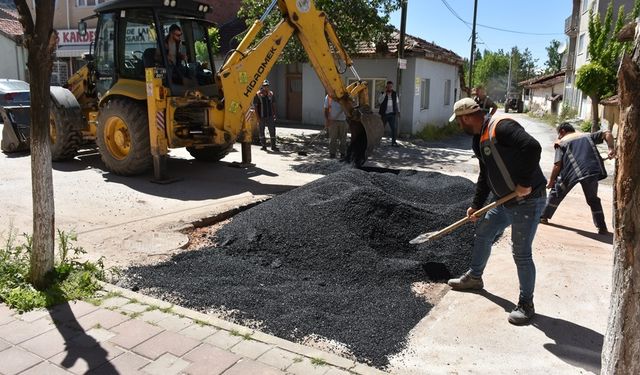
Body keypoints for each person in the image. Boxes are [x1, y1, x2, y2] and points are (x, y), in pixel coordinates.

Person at [446, 98, 547, 325]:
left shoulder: (502, 126)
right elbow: (485, 174)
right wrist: (477, 204)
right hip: (505, 201)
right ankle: (474, 277)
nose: (459, 126)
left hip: (529, 200)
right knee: (484, 232)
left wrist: (523, 182)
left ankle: (526, 304)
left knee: (521, 253)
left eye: (459, 121)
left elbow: (532, 147)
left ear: (466, 117)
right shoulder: (479, 139)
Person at [539, 122, 615, 234]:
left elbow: (557, 165)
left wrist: (551, 181)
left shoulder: (561, 143)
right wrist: (611, 148)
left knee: (556, 192)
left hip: (571, 173)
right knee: (593, 199)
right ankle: (602, 227)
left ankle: (543, 216)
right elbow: (607, 133)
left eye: (558, 134)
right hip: (591, 171)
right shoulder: (586, 136)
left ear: (562, 132)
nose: (558, 136)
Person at [254, 80, 278, 151]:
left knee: (272, 130)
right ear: (262, 86)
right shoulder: (258, 94)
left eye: (267, 86)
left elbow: (273, 104)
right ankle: (263, 146)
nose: (266, 87)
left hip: (270, 116)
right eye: (264, 86)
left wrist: (274, 114)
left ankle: (273, 146)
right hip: (261, 117)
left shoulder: (271, 94)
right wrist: (257, 117)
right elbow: (255, 107)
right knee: (261, 131)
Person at [324, 94, 348, 159]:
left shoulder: (344, 96)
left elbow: (349, 106)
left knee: (343, 139)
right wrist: (327, 120)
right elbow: (326, 109)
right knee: (332, 138)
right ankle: (332, 154)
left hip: (342, 121)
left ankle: (342, 154)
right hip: (332, 121)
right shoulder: (329, 97)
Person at [378, 81, 400, 147]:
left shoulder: (395, 94)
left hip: (392, 114)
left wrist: (398, 111)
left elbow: (397, 103)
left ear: (392, 87)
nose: (389, 88)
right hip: (384, 114)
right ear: (386, 87)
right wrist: (385, 94)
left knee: (394, 128)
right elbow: (379, 101)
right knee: (381, 128)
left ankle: (394, 142)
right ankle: (377, 141)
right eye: (388, 86)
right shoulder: (383, 93)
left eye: (391, 86)